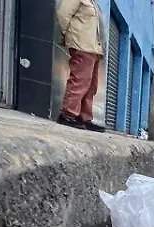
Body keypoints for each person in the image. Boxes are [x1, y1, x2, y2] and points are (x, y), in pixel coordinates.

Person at [56, 0, 106, 132]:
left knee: (91, 86)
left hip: (93, 48)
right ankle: (68, 114)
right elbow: (62, 14)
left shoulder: (92, 3)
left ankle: (84, 117)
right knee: (80, 81)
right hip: (81, 45)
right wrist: (68, 36)